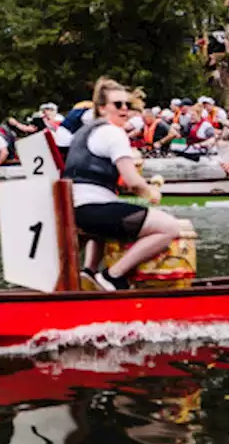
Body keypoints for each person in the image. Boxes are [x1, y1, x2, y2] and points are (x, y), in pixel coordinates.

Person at [67, 78, 181, 292]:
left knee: (109, 217)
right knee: (169, 227)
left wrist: (135, 188)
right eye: (117, 105)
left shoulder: (84, 132)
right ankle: (112, 276)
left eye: (126, 104)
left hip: (76, 210)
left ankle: (89, 272)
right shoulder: (113, 132)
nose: (124, 109)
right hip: (92, 210)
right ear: (102, 108)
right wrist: (150, 192)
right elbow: (133, 181)